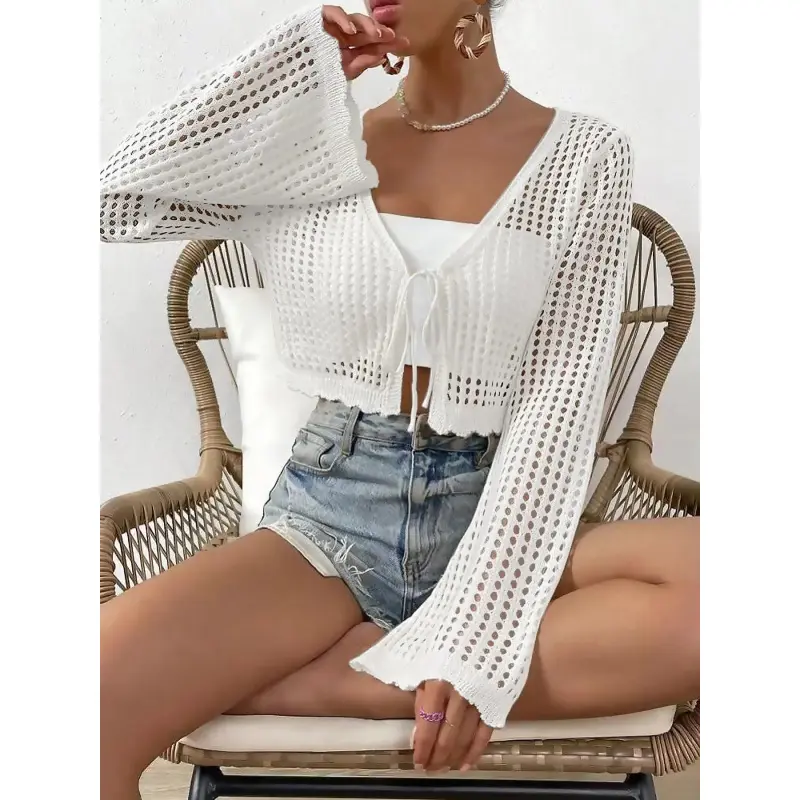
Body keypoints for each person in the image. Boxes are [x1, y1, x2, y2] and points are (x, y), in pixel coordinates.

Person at [100, 1, 699, 798]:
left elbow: (559, 400)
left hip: (502, 505)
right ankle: (394, 671)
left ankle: (321, 684)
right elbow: (115, 201)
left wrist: (478, 638)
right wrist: (290, 73)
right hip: (330, 516)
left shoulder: (585, 156)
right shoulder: (313, 144)